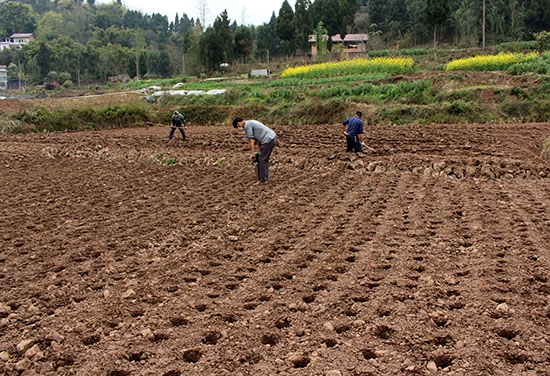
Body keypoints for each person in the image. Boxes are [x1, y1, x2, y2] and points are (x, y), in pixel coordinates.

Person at [232, 117, 277, 184]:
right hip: (272, 137)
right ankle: (266, 178)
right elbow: (258, 139)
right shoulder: (251, 122)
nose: (239, 128)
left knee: (262, 160)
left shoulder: (247, 126)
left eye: (238, 126)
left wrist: (252, 153)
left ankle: (263, 180)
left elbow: (251, 140)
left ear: (238, 123)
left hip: (268, 139)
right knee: (264, 159)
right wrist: (260, 150)